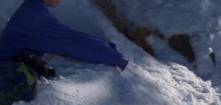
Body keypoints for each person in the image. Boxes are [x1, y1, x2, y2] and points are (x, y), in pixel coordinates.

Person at [0, 0, 128, 74]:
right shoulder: (34, 18)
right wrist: (114, 57)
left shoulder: (32, 8)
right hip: (7, 72)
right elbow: (72, 43)